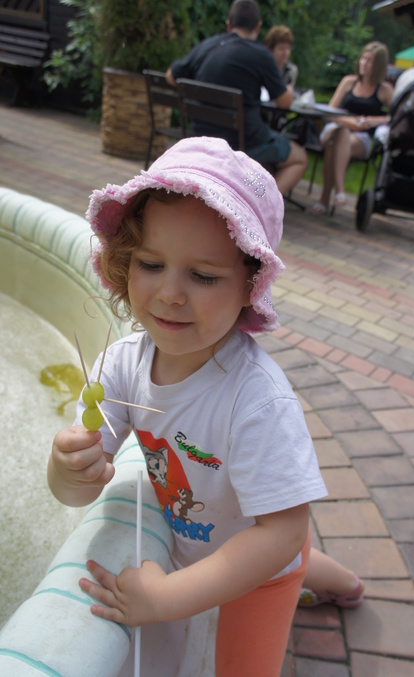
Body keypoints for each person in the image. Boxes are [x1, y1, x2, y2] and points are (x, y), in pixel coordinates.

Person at [48, 136, 327, 677]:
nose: (171, 293)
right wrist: (67, 469)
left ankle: (327, 578)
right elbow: (75, 490)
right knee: (300, 551)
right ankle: (331, 575)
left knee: (280, 596)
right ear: (125, 261)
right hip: (214, 529)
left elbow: (282, 533)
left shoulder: (257, 401)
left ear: (250, 285)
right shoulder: (122, 365)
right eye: (151, 263)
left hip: (263, 569)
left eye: (203, 276)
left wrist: (167, 598)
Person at [166, 0, 307, 197]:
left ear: (228, 24)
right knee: (300, 158)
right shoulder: (261, 54)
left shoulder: (207, 45)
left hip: (201, 133)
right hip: (244, 142)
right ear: (258, 27)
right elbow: (284, 102)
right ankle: (262, 204)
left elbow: (171, 76)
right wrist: (289, 89)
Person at [311, 41, 393, 214]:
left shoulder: (384, 90)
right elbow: (330, 111)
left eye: (369, 60)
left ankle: (324, 201)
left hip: (360, 138)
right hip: (335, 128)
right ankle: (340, 190)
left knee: (336, 144)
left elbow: (395, 116)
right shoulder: (348, 82)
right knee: (341, 132)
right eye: (363, 58)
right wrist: (349, 122)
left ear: (378, 65)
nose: (364, 63)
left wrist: (373, 120)